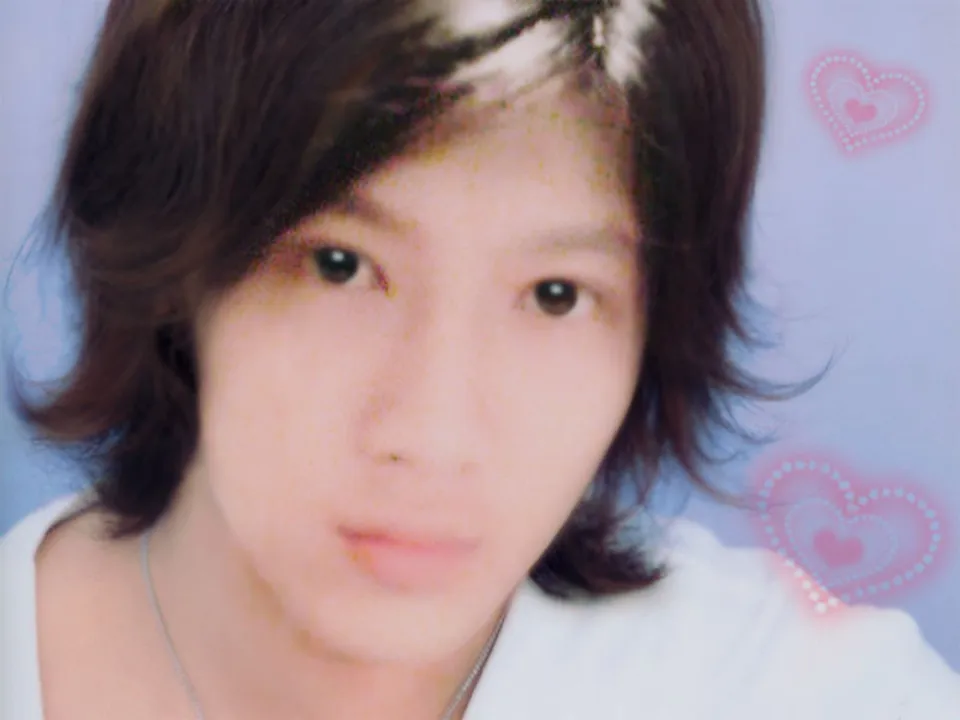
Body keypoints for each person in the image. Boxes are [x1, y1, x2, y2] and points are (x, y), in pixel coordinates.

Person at [1, 0, 958, 718]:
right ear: (175, 266)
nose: (434, 434)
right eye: (340, 266)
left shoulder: (794, 690)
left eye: (556, 294)